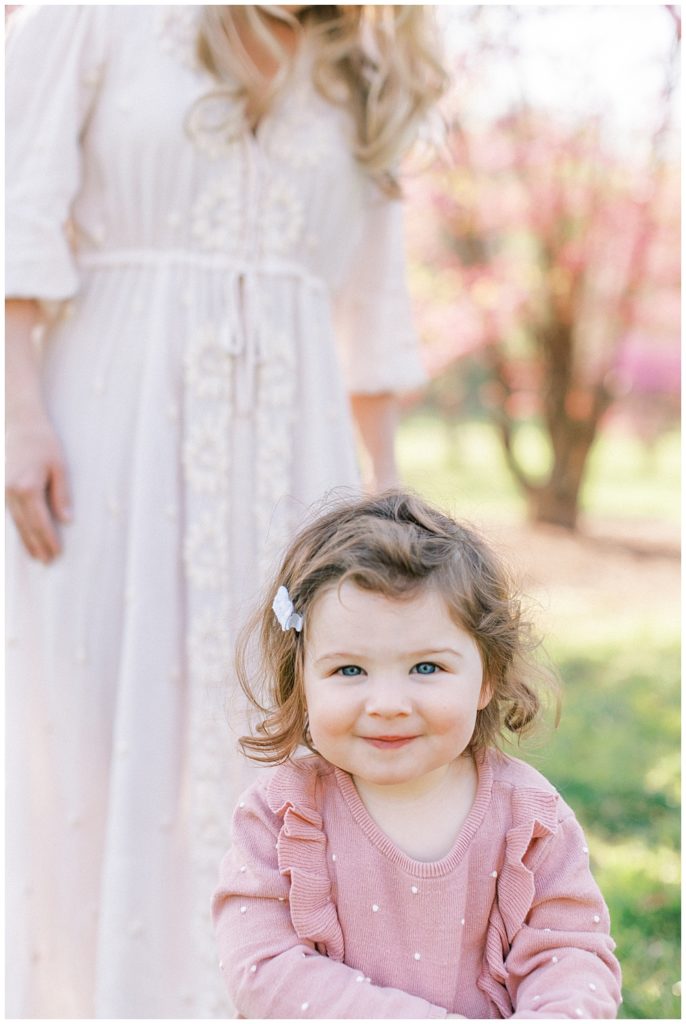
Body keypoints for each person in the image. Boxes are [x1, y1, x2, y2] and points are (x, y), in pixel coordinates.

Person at [5, 5, 447, 1018]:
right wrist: (16, 411)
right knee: (88, 738)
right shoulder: (93, 18)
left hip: (298, 464)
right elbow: (13, 205)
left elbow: (372, 309)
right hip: (104, 436)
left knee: (273, 730)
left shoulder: (363, 62)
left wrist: (384, 498)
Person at [213, 490, 623, 1018]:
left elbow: (570, 956)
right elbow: (265, 971)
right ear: (303, 683)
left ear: (487, 678)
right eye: (349, 670)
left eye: (426, 668)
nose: (387, 705)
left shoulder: (529, 817)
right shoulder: (279, 815)